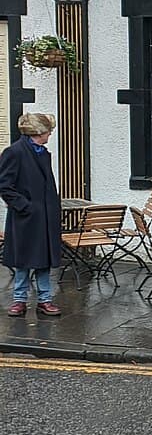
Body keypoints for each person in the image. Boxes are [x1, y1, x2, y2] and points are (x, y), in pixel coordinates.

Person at [0, 112, 63, 317]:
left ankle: (45, 300)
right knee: (24, 260)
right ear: (38, 132)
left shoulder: (43, 152)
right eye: (48, 131)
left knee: (43, 259)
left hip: (44, 216)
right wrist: (25, 207)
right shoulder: (14, 152)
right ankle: (19, 300)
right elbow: (5, 186)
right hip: (25, 218)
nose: (50, 134)